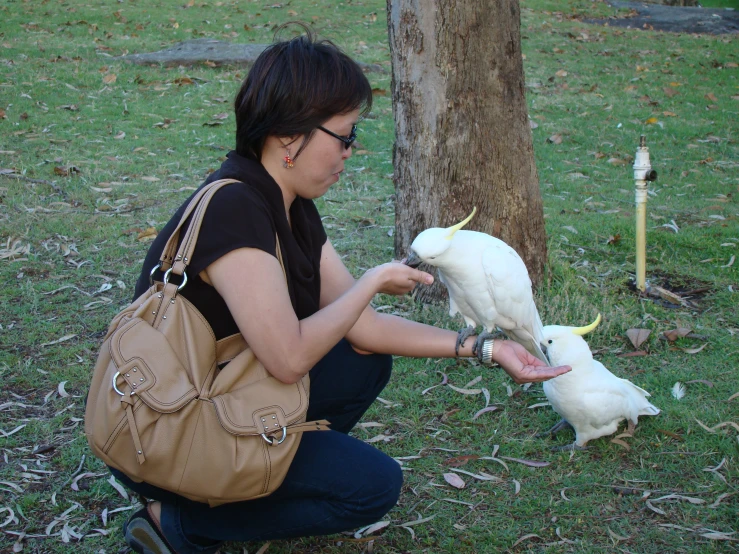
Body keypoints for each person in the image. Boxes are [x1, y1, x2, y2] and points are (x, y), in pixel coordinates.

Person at [113, 24, 571, 554]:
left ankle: (244, 493)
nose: (351, 151)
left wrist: (485, 348)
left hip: (219, 399)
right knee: (371, 488)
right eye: (345, 135)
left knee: (363, 359)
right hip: (167, 435)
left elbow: (366, 329)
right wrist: (373, 280)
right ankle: (180, 522)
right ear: (290, 136)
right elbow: (288, 359)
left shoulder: (291, 205)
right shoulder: (234, 209)